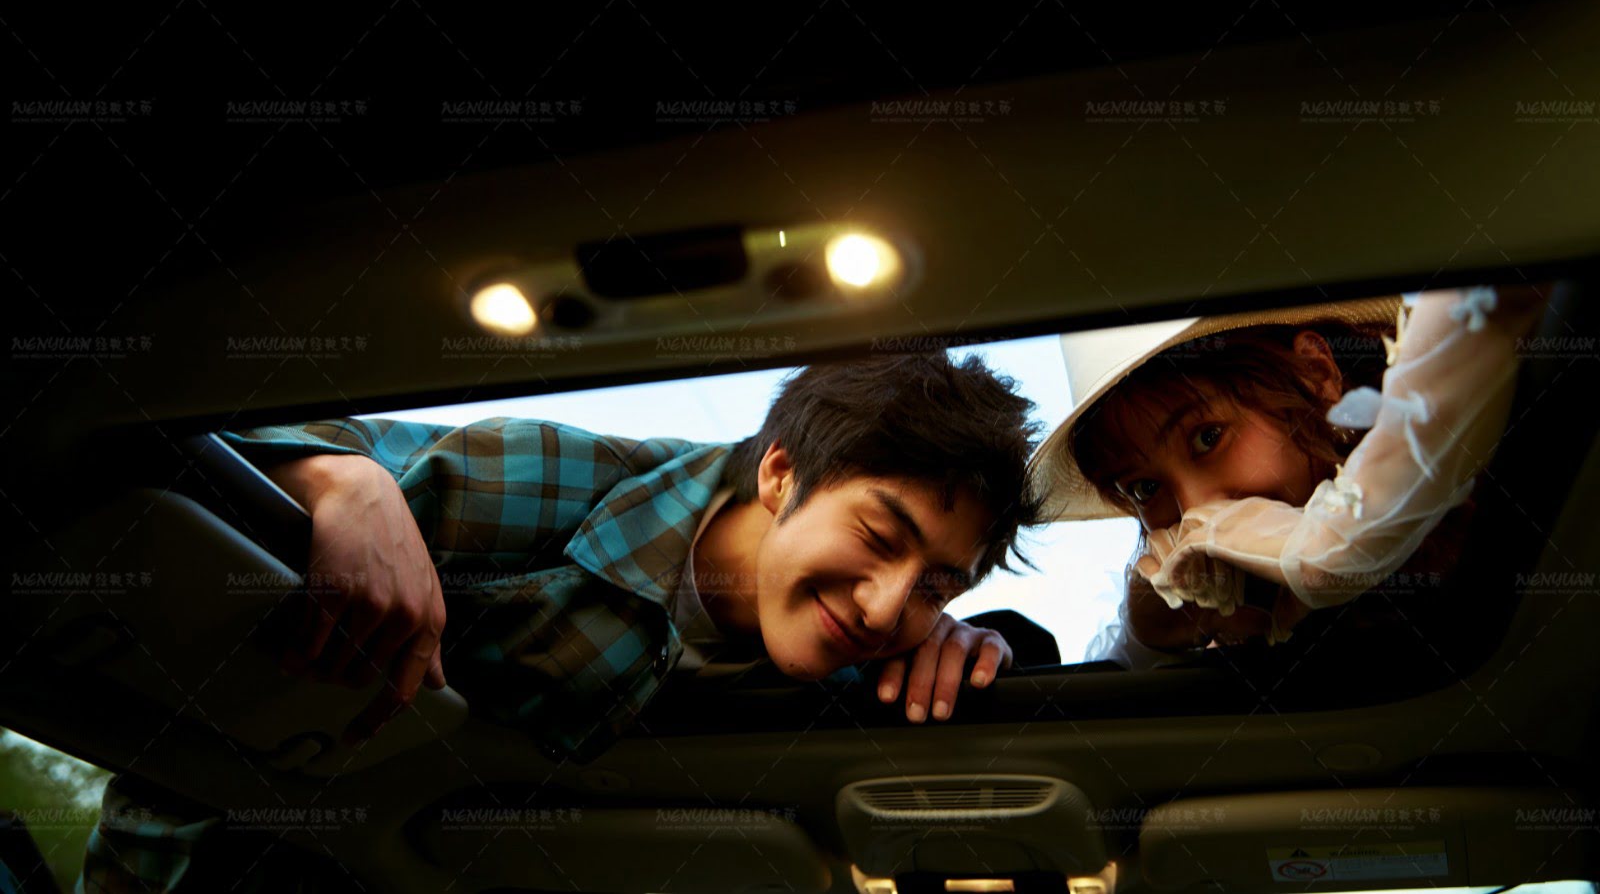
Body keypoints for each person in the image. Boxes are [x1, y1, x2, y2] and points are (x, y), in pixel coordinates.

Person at [79, 351, 1043, 892]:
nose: (886, 606)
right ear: (781, 474)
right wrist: (342, 479)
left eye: (935, 587)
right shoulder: (548, 481)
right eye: (877, 536)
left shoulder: (869, 659)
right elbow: (183, 453)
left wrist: (974, 641)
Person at [1029, 284, 1549, 660]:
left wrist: (1342, 538)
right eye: (1145, 488)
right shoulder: (1214, 617)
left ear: (1317, 374)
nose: (1197, 511)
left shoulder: (1506, 486)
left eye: (1208, 437)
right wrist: (1154, 632)